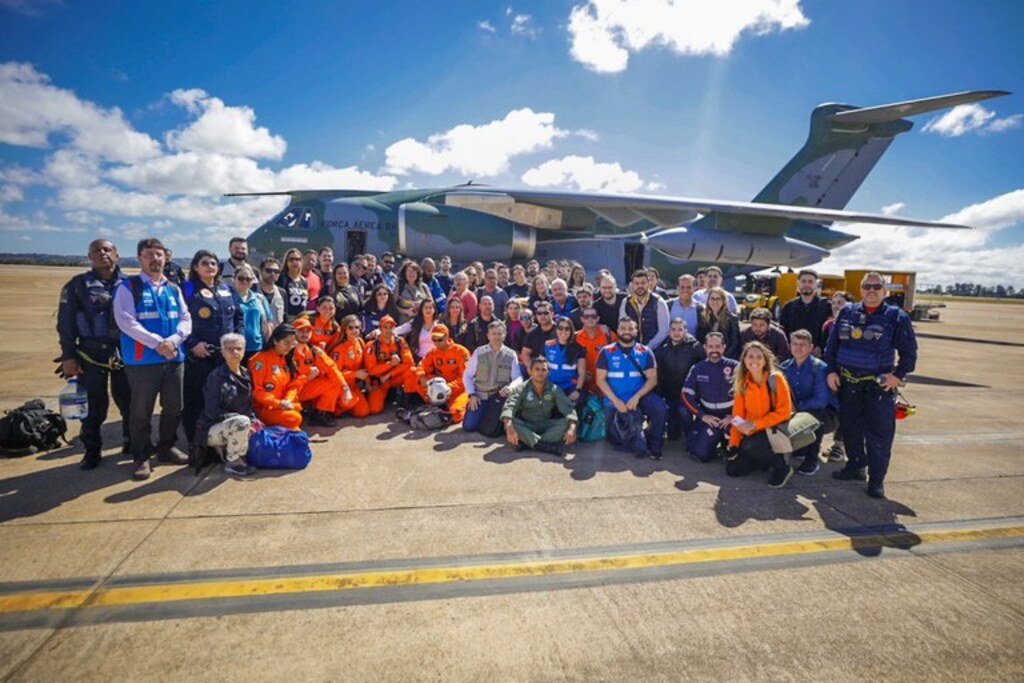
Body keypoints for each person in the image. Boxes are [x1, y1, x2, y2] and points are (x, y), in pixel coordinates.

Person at [825, 272, 917, 499]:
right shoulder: (848, 312)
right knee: (851, 429)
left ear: (885, 291)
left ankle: (876, 480)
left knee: (879, 435)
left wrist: (898, 375)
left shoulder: (896, 317)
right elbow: (832, 346)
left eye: (877, 286)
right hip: (849, 384)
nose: (872, 290)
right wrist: (831, 371)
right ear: (861, 289)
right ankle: (856, 467)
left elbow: (909, 353)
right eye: (867, 286)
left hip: (878, 388)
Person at [112, 238, 192, 480]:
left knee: (173, 407)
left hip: (173, 358)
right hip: (143, 362)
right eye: (149, 255)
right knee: (140, 412)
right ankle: (141, 456)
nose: (155, 259)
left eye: (159, 254)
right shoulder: (129, 287)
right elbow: (126, 321)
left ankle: (167, 447)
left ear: (165, 258)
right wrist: (158, 343)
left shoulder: (173, 288)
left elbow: (186, 318)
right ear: (139, 258)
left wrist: (174, 341)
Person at [57, 238, 131, 470]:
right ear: (90, 257)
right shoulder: (76, 285)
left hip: (124, 353)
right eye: (97, 251)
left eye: (107, 250)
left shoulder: (131, 284)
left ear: (116, 255)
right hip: (90, 353)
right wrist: (69, 355)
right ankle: (92, 450)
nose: (103, 254)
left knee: (130, 402)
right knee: (93, 406)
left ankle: (131, 441)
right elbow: (65, 323)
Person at [181, 250, 242, 453]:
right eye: (204, 263)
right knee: (196, 401)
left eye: (213, 263)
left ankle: (220, 442)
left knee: (225, 399)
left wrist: (237, 342)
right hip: (200, 356)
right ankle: (195, 443)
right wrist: (192, 344)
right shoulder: (187, 289)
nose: (210, 267)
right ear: (196, 267)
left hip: (224, 357)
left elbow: (238, 318)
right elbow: (179, 321)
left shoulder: (227, 289)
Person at [595, 317, 667, 459]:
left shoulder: (645, 351)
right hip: (614, 400)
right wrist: (616, 401)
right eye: (623, 328)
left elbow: (652, 380)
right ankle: (636, 436)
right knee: (613, 438)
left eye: (630, 328)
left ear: (636, 331)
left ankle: (655, 444)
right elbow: (600, 380)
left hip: (639, 397)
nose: (626, 331)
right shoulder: (606, 352)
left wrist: (637, 397)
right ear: (618, 330)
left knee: (660, 408)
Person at [726, 341, 795, 488]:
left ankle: (782, 467)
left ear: (765, 360)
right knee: (732, 470)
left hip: (774, 428)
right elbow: (737, 416)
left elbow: (784, 412)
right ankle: (763, 460)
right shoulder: (742, 382)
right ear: (744, 360)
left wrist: (756, 425)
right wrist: (733, 444)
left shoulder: (776, 379)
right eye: (750, 356)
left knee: (750, 445)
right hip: (753, 430)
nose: (754, 361)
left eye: (759, 357)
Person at [195, 333, 257, 476]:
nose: (234, 352)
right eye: (229, 349)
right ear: (222, 352)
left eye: (238, 348)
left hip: (238, 425)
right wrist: (242, 420)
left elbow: (249, 405)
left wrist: (254, 422)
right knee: (242, 422)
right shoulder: (216, 377)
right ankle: (233, 462)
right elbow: (211, 411)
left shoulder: (247, 374)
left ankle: (233, 451)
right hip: (212, 429)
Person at [780, 329, 839, 476]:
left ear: (811, 347)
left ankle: (812, 460)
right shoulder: (785, 367)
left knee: (815, 417)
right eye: (795, 344)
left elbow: (821, 400)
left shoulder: (820, 368)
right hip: (797, 411)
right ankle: (799, 447)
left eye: (803, 345)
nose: (798, 348)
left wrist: (796, 408)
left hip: (826, 415)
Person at [501, 357, 578, 455]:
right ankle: (547, 447)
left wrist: (572, 428)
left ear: (548, 373)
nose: (540, 373)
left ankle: (528, 443)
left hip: (546, 426)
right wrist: (509, 427)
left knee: (567, 424)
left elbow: (568, 409)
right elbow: (510, 406)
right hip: (527, 425)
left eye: (543, 370)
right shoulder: (521, 388)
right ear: (531, 371)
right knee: (510, 424)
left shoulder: (554, 389)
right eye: (537, 369)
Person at [682, 332, 739, 462]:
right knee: (697, 453)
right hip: (709, 416)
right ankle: (713, 442)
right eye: (710, 346)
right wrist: (702, 415)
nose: (714, 350)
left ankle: (727, 444)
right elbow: (686, 395)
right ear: (705, 347)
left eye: (718, 346)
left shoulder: (736, 367)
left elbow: (748, 396)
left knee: (736, 455)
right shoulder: (697, 368)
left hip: (730, 416)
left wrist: (734, 416)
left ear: (724, 347)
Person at [402, 324, 471, 422]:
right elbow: (422, 366)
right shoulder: (433, 352)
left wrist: (448, 387)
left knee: (456, 413)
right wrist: (422, 377)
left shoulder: (461, 352)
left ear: (447, 336)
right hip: (439, 387)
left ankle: (439, 410)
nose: (436, 343)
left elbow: (466, 377)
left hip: (458, 389)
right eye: (434, 340)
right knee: (412, 372)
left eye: (439, 340)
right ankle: (411, 406)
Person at [293, 317, 354, 425]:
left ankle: (320, 413)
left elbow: (331, 368)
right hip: (289, 392)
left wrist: (345, 388)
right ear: (293, 332)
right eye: (301, 330)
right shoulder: (286, 352)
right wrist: (307, 378)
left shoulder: (314, 351)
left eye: (308, 331)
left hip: (304, 389)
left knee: (334, 382)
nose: (305, 334)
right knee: (292, 419)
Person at [463, 320, 522, 433]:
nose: (496, 337)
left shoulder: (510, 354)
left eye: (500, 334)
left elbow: (518, 377)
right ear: (488, 336)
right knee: (469, 426)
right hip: (480, 396)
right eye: (493, 334)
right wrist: (472, 395)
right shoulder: (479, 352)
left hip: (499, 397)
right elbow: (467, 375)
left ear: (504, 335)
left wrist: (510, 387)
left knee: (496, 428)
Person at [655, 318, 705, 442]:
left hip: (688, 395)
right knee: (673, 436)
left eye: (680, 329)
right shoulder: (663, 349)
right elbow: (658, 374)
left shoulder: (695, 347)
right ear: (669, 331)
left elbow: (703, 369)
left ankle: (691, 432)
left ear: (686, 331)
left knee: (684, 412)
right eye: (673, 329)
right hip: (670, 394)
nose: (676, 333)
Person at [248, 324, 306, 429]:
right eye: (286, 343)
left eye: (292, 344)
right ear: (275, 341)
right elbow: (257, 391)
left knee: (297, 430)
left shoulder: (287, 359)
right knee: (295, 418)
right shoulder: (260, 360)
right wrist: (278, 403)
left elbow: (294, 385)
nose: (289, 347)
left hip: (284, 405)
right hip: (265, 408)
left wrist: (288, 400)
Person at [365, 315, 415, 414]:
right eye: (385, 327)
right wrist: (390, 364)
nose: (388, 330)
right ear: (380, 329)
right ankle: (384, 395)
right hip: (379, 381)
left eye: (391, 327)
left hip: (394, 377)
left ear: (395, 328)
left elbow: (409, 363)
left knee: (413, 371)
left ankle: (407, 402)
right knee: (375, 409)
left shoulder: (400, 341)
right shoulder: (371, 346)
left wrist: (389, 374)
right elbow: (371, 370)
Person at [779, 269, 834, 354]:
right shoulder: (789, 307)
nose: (806, 284)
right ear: (798, 283)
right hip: (794, 355)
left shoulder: (827, 306)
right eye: (803, 281)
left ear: (816, 284)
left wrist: (821, 347)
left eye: (810, 282)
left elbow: (831, 331)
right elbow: (783, 331)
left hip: (818, 356)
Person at [331, 315, 372, 418]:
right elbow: (335, 374)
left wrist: (367, 382)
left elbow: (365, 365)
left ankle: (349, 406)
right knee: (350, 401)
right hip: (341, 386)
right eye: (350, 327)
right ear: (344, 329)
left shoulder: (360, 342)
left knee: (364, 412)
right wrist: (355, 374)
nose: (354, 330)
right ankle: (335, 408)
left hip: (354, 386)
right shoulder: (339, 350)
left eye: (357, 327)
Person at [619, 269, 670, 349]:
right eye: (636, 283)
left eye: (643, 283)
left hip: (654, 351)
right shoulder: (626, 302)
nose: (640, 286)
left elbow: (664, 331)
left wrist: (648, 347)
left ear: (648, 283)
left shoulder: (659, 302)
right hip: (632, 350)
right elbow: (622, 327)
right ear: (632, 285)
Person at [232, 264, 271, 363]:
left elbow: (269, 321)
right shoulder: (228, 298)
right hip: (235, 348)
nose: (244, 281)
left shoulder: (260, 299)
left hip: (257, 346)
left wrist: (267, 343)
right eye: (241, 278)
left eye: (248, 279)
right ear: (234, 279)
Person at [574, 305, 616, 396]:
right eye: (586, 316)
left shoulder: (609, 335)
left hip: (606, 388)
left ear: (598, 319)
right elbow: (567, 360)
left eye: (593, 316)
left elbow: (617, 358)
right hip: (583, 388)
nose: (590, 319)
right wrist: (579, 372)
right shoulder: (574, 337)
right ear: (582, 319)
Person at [543, 317, 586, 404]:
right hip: (550, 386)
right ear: (556, 329)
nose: (563, 331)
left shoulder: (579, 348)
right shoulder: (548, 345)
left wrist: (577, 390)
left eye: (567, 329)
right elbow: (539, 367)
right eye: (560, 328)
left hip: (570, 387)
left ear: (571, 331)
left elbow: (582, 373)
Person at [700, 287, 741, 359]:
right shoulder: (704, 318)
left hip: (726, 359)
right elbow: (701, 339)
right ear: (708, 301)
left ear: (723, 301)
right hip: (708, 358)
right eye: (712, 299)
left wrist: (721, 358)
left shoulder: (732, 319)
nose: (715, 301)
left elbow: (734, 343)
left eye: (718, 299)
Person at [397, 298, 438, 362]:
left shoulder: (439, 324)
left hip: (436, 360)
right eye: (426, 308)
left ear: (434, 310)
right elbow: (399, 330)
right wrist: (379, 331)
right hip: (419, 360)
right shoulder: (415, 323)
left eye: (430, 308)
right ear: (421, 310)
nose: (428, 310)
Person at [668, 274, 707, 341]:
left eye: (689, 287)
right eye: (682, 287)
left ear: (694, 288)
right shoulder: (668, 305)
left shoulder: (701, 309)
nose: (685, 290)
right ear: (677, 288)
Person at [520, 301, 557, 367]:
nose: (542, 316)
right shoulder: (532, 333)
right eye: (539, 313)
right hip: (538, 369)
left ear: (552, 314)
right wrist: (530, 368)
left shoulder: (561, 330)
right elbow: (525, 354)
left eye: (545, 313)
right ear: (536, 316)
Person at [395, 260, 431, 325]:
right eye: (409, 271)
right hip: (404, 323)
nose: (412, 274)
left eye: (414, 271)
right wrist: (405, 311)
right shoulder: (399, 287)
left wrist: (421, 304)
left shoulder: (424, 287)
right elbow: (393, 305)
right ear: (404, 273)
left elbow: (431, 304)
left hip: (421, 323)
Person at [277, 248, 308, 321]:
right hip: (287, 320)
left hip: (301, 320)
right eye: (291, 259)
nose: (294, 262)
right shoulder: (281, 279)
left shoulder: (304, 281)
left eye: (297, 259)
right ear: (286, 262)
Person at [257, 258, 286, 327]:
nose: (272, 274)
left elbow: (285, 317)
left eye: (276, 271)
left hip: (277, 335)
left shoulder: (282, 292)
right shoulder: (252, 290)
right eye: (268, 271)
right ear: (261, 271)